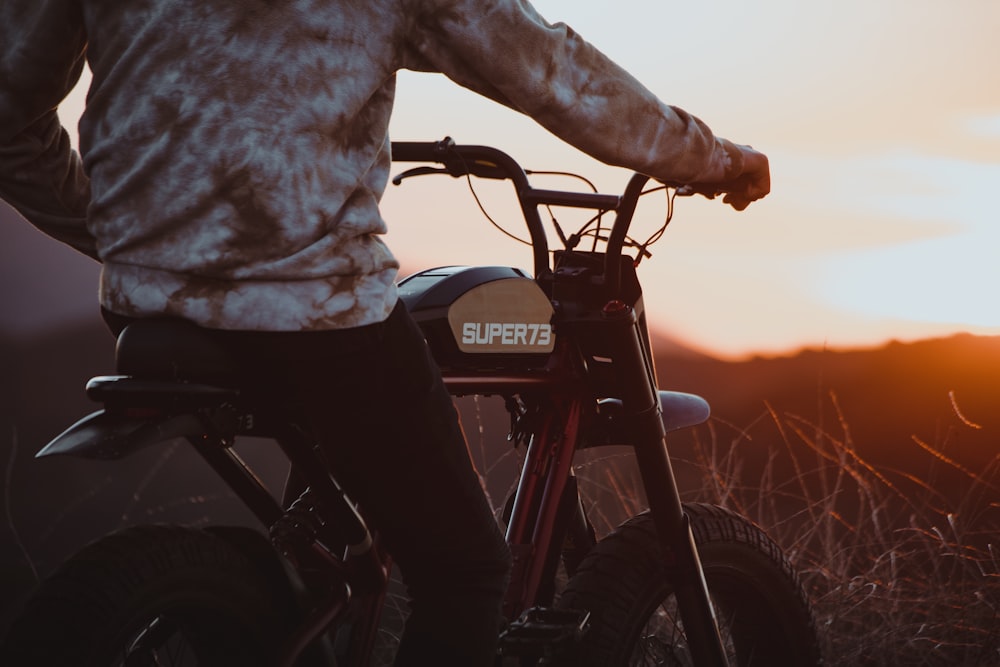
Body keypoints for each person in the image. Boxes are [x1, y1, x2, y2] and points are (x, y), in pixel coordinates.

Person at [0, 1, 769, 664]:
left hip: (146, 306)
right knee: (465, 570)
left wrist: (127, 240)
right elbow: (553, 71)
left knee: (330, 538)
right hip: (317, 318)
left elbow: (9, 115)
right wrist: (711, 158)